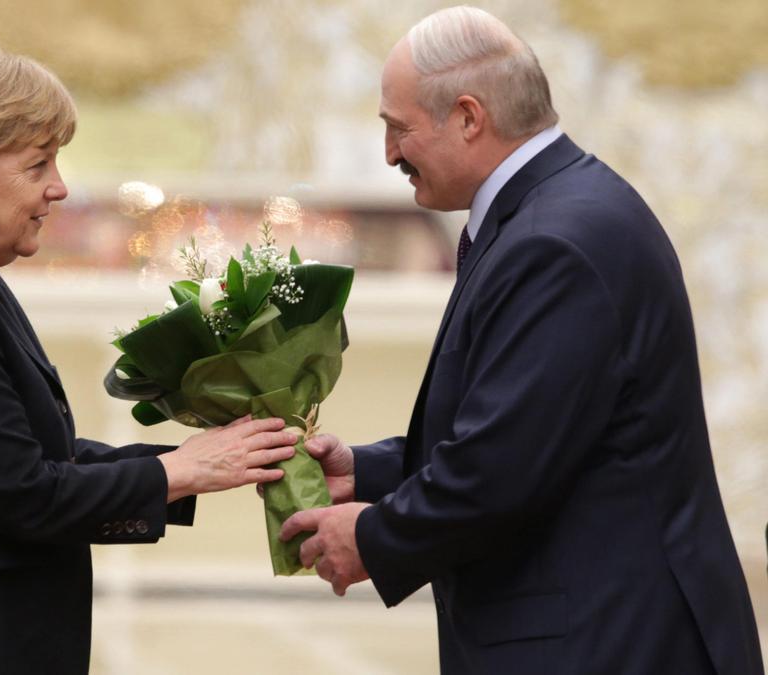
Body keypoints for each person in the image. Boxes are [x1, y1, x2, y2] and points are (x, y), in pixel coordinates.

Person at [280, 6, 764, 674]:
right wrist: (366, 470)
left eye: (399, 130)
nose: (389, 153)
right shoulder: (551, 212)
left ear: (469, 117)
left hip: (609, 641)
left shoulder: (553, 242)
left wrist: (372, 536)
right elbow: (531, 433)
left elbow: (499, 468)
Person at [0, 50, 297, 675]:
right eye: (38, 163)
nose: (58, 187)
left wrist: (209, 457)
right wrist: (179, 473)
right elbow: (24, 493)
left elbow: (30, 456)